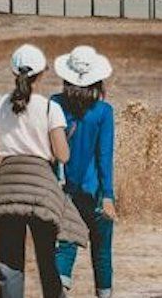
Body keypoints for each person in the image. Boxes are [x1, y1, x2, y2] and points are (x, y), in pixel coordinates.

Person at [0, 44, 82, 298]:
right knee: (48, 260)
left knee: (9, 263)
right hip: (42, 189)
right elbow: (63, 155)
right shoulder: (49, 108)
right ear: (42, 73)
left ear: (14, 72)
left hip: (7, 186)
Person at [52, 46, 116, 298]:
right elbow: (104, 156)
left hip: (63, 190)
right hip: (95, 191)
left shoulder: (55, 104)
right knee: (101, 252)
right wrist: (108, 195)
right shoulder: (103, 112)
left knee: (65, 245)